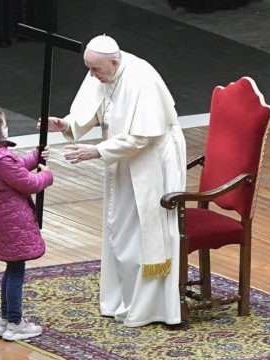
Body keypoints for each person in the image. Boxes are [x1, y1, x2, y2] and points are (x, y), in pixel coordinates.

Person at [43, 35, 186, 327]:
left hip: (151, 161)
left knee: (143, 230)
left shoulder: (141, 78)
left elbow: (144, 135)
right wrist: (67, 124)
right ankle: (122, 298)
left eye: (96, 70)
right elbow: (99, 108)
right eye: (89, 70)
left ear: (114, 62)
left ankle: (152, 307)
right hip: (123, 157)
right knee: (120, 228)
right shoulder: (103, 72)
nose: (92, 76)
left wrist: (97, 150)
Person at [0, 105, 53, 340]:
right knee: (16, 272)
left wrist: (35, 157)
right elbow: (29, 184)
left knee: (11, 269)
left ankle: (6, 319)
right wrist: (47, 174)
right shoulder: (2, 158)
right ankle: (15, 323)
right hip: (14, 218)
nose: (8, 127)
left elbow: (12, 170)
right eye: (5, 124)